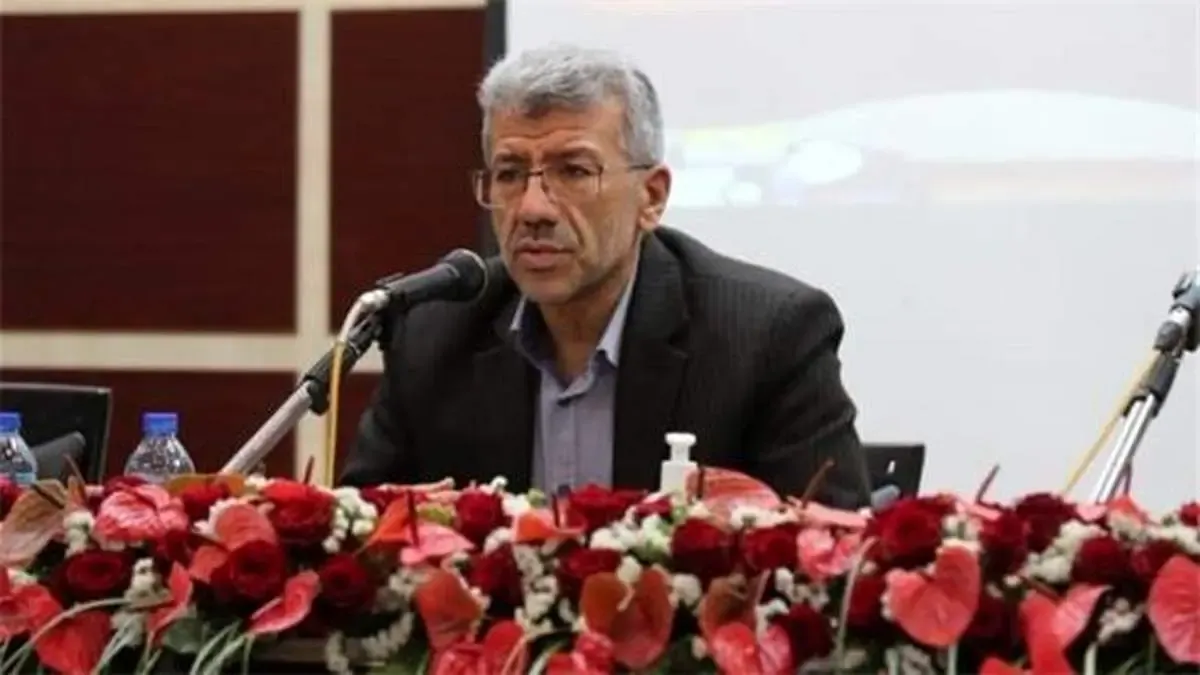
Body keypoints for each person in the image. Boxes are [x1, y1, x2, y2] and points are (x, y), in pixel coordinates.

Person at [340, 44, 871, 508]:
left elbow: (831, 556)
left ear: (651, 197)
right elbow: (363, 551)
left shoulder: (765, 337)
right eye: (510, 174)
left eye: (574, 171)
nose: (532, 208)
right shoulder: (435, 337)